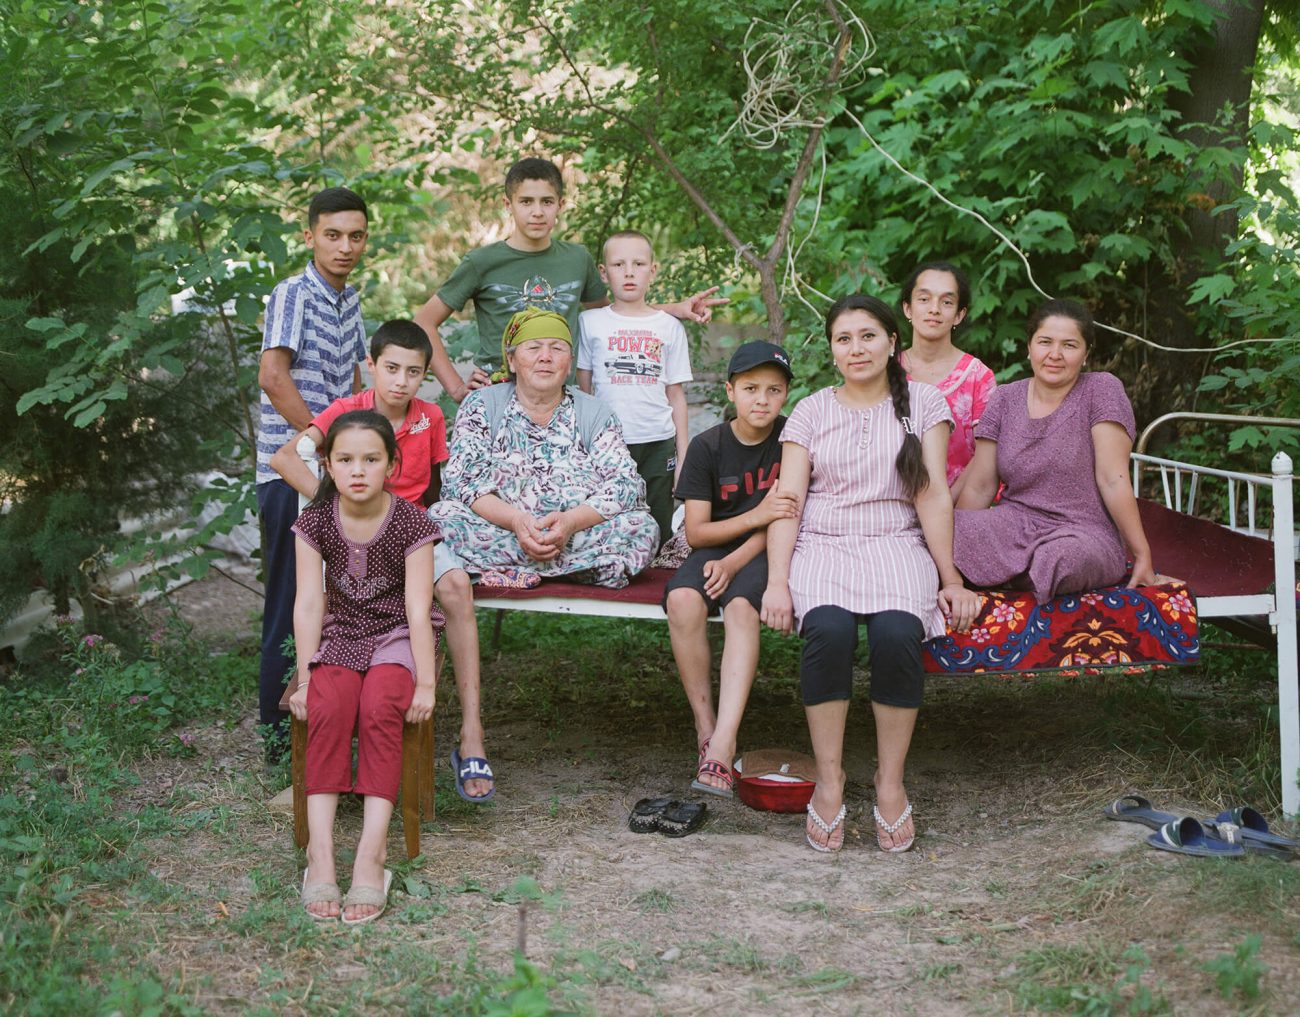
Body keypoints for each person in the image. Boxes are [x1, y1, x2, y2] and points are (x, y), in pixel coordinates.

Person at [761, 295, 981, 854]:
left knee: (896, 635)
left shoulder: (924, 404)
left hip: (896, 542)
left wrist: (950, 577)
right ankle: (831, 783)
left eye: (867, 336)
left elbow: (931, 495)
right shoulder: (811, 410)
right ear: (831, 350)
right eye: (843, 339)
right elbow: (788, 501)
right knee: (829, 633)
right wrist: (779, 581)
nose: (855, 348)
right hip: (825, 543)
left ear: (891, 343)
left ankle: (889, 783)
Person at [270, 320, 493, 802]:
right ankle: (317, 749)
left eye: (413, 372)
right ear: (371, 366)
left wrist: (402, 523)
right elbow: (286, 459)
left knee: (455, 586)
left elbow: (432, 491)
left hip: (409, 536)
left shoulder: (430, 417)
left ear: (425, 376)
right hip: (350, 536)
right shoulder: (344, 413)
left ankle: (472, 731)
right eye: (390, 368)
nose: (400, 381)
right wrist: (339, 508)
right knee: (324, 603)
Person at [290, 411, 441, 924]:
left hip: (396, 637)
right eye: (346, 460)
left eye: (371, 459)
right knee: (330, 706)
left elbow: (419, 609)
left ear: (391, 464)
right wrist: (305, 678)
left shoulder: (412, 522)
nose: (358, 470)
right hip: (341, 635)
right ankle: (321, 854)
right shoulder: (314, 522)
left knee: (380, 706)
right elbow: (310, 604)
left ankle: (371, 856)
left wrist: (425, 681)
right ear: (328, 466)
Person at [412, 157, 725, 401]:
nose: (537, 212)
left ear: (560, 205)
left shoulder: (577, 259)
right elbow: (424, 322)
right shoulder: (482, 262)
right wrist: (455, 388)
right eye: (526, 202)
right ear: (508, 205)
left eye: (547, 202)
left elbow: (610, 316)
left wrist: (676, 309)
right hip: (500, 392)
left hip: (562, 397)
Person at [256, 186, 369, 762]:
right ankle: (279, 746)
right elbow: (273, 377)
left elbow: (354, 388)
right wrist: (324, 449)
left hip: (332, 473)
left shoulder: (350, 302)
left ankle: (322, 728)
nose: (344, 246)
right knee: (291, 600)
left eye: (355, 235)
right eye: (332, 234)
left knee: (331, 602)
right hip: (290, 474)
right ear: (309, 236)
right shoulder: (293, 293)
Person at [429, 308, 659, 588]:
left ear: (570, 361)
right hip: (505, 531)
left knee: (643, 527)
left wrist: (571, 522)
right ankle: (579, 570)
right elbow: (462, 481)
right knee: (441, 517)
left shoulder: (595, 412)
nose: (546, 357)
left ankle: (510, 570)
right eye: (534, 347)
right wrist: (517, 522)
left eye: (557, 348)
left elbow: (625, 485)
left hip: (575, 536)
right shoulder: (482, 405)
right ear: (511, 360)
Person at [953, 299, 1158, 602]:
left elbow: (1112, 479)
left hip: (1082, 533)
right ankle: (1015, 575)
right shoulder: (1006, 398)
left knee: (1059, 559)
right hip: (1015, 526)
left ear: (1086, 354)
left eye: (1070, 345)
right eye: (1045, 342)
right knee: (939, 527)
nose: (1055, 355)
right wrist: (959, 544)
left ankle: (1009, 574)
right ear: (1029, 347)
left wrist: (1141, 555)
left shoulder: (1101, 390)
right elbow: (981, 485)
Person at [664, 341, 797, 797]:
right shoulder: (708, 446)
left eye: (774, 390)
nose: (762, 399)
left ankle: (724, 743)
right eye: (751, 388)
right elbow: (698, 532)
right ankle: (705, 727)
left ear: (785, 396)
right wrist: (753, 518)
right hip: (715, 543)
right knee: (682, 600)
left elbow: (784, 518)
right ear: (730, 390)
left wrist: (738, 558)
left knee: (741, 607)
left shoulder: (790, 442)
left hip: (771, 549)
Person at [577, 230, 692, 546]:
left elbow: (676, 395)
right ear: (603, 272)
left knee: (658, 525)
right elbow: (584, 392)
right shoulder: (591, 323)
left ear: (653, 270)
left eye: (639, 264)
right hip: (608, 442)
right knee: (610, 523)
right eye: (618, 264)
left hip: (657, 441)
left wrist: (683, 456)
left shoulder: (669, 327)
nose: (629, 272)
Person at [898, 261, 995, 499]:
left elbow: (985, 458)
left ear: (959, 314)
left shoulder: (978, 377)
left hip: (959, 505)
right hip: (889, 507)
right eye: (924, 299)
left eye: (947, 302)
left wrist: (944, 507)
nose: (934, 309)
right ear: (908, 308)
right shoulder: (883, 370)